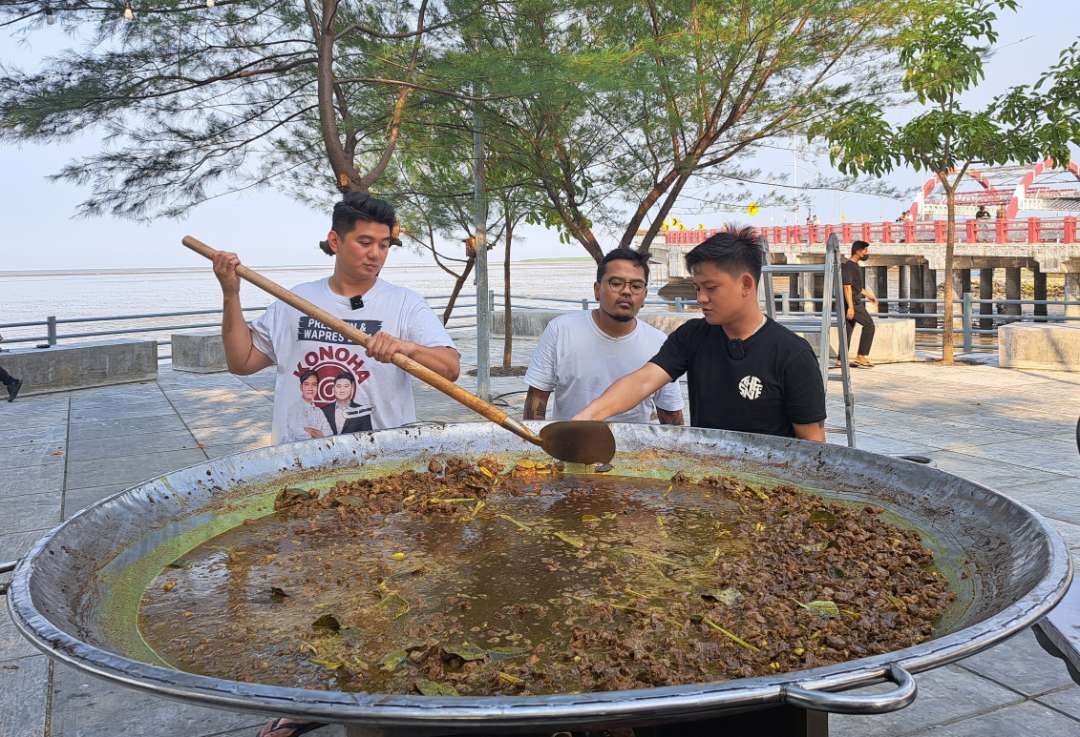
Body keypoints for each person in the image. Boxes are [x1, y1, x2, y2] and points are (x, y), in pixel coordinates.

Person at [212, 192, 460, 737]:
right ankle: (313, 698)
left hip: (384, 471)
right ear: (335, 241)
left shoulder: (404, 305)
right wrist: (230, 292)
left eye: (384, 244)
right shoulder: (294, 302)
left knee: (384, 578)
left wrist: (405, 350)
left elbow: (451, 366)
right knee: (310, 581)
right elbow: (240, 361)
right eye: (363, 241)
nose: (374, 253)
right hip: (303, 470)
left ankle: (380, 685)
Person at [573, 226, 826, 441]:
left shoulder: (792, 354)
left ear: (746, 285)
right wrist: (589, 416)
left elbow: (813, 444)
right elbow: (643, 381)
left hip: (768, 486)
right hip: (708, 480)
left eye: (711, 288)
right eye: (697, 288)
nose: (701, 298)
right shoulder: (693, 336)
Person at [523, 248, 684, 425]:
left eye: (636, 286)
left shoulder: (659, 343)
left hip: (634, 450)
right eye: (616, 283)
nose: (626, 292)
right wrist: (535, 447)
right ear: (597, 290)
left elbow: (671, 415)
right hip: (570, 445)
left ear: (644, 296)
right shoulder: (561, 331)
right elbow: (537, 399)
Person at [842, 240, 877, 369]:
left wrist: (869, 296)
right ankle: (861, 356)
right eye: (865, 250)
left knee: (848, 330)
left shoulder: (855, 266)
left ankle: (841, 359)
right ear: (858, 251)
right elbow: (847, 287)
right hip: (853, 303)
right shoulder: (848, 266)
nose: (866, 253)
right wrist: (851, 307)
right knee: (869, 325)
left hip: (854, 301)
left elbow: (857, 287)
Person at [282, 370, 333, 442]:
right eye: (306, 384)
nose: (310, 388)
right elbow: (300, 436)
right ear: (301, 387)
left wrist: (310, 431)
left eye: (314, 384)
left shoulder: (319, 411)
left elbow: (329, 435)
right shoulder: (293, 409)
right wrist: (318, 433)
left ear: (317, 387)